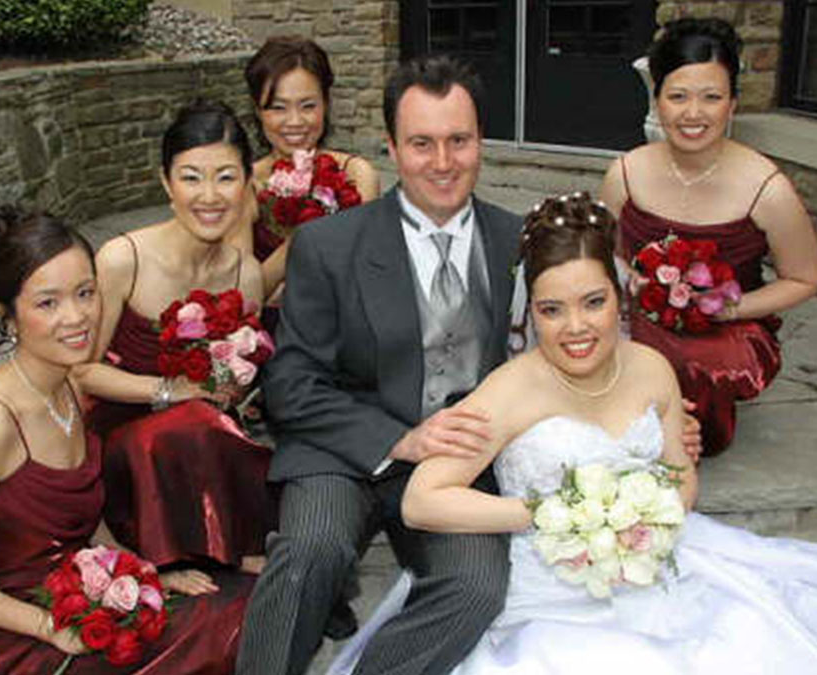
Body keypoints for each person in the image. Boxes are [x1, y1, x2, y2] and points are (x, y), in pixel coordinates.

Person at [329, 192, 817, 675]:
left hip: (651, 567)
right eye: (552, 310)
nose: (575, 327)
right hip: (547, 592)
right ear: (530, 311)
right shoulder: (510, 391)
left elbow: (681, 474)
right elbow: (422, 501)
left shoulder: (651, 368)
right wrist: (554, 514)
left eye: (593, 302)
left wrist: (651, 520)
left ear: (619, 296)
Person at [235, 54, 521, 675]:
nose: (442, 162)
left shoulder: (518, 242)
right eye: (421, 143)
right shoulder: (329, 245)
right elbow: (290, 384)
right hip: (343, 449)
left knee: (478, 587)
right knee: (309, 550)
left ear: (481, 141)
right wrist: (398, 439)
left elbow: (564, 355)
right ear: (391, 146)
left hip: (460, 460)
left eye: (459, 140)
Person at [0, 206, 254, 674]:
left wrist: (142, 575)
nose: (76, 317)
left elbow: (81, 522)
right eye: (47, 303)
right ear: (8, 315)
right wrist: (48, 625)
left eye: (85, 293)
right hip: (22, 626)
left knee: (247, 601)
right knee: (228, 630)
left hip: (88, 596)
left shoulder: (68, 388)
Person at [600, 17, 817, 456]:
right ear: (658, 101)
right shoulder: (625, 172)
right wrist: (628, 277)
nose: (693, 113)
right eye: (678, 96)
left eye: (711, 97)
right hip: (644, 317)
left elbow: (804, 278)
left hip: (725, 328)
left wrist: (731, 308)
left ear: (732, 104)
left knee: (698, 366)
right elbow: (604, 252)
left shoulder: (768, 189)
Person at [76, 101, 274, 574]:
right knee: (193, 423)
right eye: (191, 177)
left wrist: (229, 386)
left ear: (248, 181)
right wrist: (172, 390)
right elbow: (80, 371)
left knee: (210, 426)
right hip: (119, 440)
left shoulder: (246, 274)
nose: (209, 195)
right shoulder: (122, 259)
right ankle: (198, 547)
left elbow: (235, 380)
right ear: (166, 182)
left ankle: (219, 538)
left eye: (225, 177)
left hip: (198, 439)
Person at [227, 35, 381, 300]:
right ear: (258, 110)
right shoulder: (246, 184)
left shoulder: (356, 174)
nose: (295, 121)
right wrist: (299, 240)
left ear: (326, 103)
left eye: (308, 106)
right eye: (278, 108)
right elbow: (244, 297)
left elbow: (366, 273)